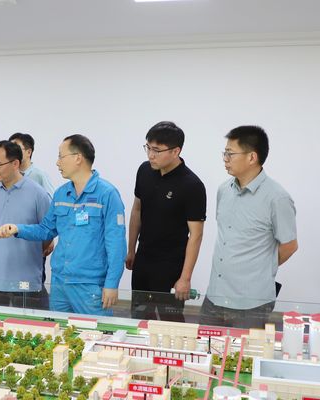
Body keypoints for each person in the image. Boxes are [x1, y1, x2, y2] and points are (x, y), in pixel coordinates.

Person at [0, 134, 126, 316]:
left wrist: (112, 284)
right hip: (60, 283)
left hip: (89, 285)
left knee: (94, 331)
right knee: (60, 331)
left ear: (78, 158)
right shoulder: (61, 194)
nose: (57, 163)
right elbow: (46, 230)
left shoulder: (107, 194)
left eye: (60, 156)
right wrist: (17, 229)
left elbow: (116, 244)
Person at [200, 125, 298, 329]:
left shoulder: (277, 198)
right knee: (204, 346)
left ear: (252, 157)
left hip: (252, 303)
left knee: (247, 350)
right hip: (215, 296)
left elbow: (290, 246)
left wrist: (260, 269)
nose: (225, 158)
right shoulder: (224, 190)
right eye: (224, 153)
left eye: (230, 153)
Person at [126, 122, 206, 322]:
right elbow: (137, 210)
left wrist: (185, 278)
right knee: (139, 318)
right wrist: (131, 249)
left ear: (175, 151)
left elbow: (196, 235)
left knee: (170, 323)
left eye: (156, 150)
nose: (150, 155)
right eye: (148, 148)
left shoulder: (192, 185)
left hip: (171, 265)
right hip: (143, 258)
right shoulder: (144, 171)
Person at [0, 140, 52, 308]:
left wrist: (30, 250)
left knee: (27, 324)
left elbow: (47, 233)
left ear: (15, 164)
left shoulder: (38, 194)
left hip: (25, 280)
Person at [8, 132, 55, 283]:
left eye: (16, 147)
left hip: (33, 242)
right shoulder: (7, 176)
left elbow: (51, 209)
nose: (11, 151)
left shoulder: (39, 176)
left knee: (31, 286)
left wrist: (49, 239)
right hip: (11, 241)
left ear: (28, 152)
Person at [8, 132, 55, 197]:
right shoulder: (8, 175)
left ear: (29, 152)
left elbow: (52, 200)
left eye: (16, 149)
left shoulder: (39, 175)